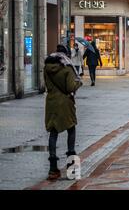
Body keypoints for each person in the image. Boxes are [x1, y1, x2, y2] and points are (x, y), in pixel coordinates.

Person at [44, 44, 82, 180]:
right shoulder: (67, 67)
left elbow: (47, 85)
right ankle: (72, 169)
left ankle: (53, 169)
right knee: (71, 129)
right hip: (66, 102)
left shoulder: (47, 66)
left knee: (53, 132)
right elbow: (71, 86)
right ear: (66, 54)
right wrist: (79, 83)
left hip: (51, 102)